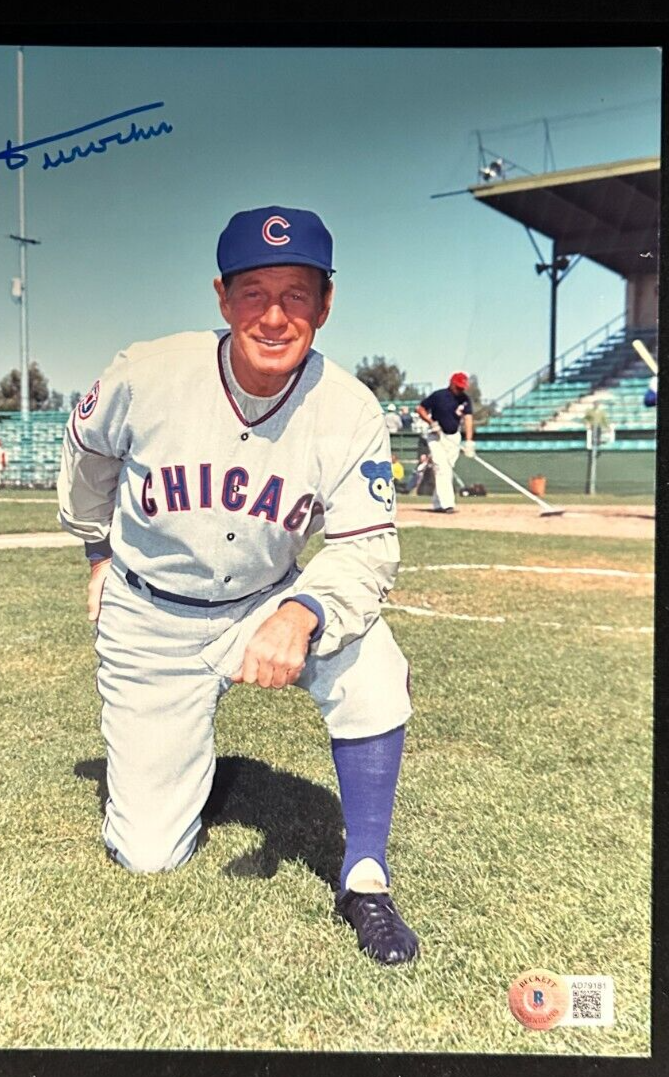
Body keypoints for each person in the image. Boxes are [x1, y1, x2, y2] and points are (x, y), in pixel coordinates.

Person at [57, 205, 420, 965]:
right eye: (254, 292)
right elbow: (86, 450)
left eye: (297, 293)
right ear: (222, 297)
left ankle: (366, 877)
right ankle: (190, 764)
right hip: (150, 614)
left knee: (372, 661)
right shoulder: (147, 373)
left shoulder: (349, 408)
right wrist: (96, 549)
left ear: (325, 303)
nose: (275, 315)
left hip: (260, 597)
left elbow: (366, 546)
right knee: (149, 852)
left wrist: (302, 609)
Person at [416, 372, 476, 513]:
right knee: (441, 467)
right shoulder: (439, 396)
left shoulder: (465, 399)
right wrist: (431, 422)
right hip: (436, 436)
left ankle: (438, 503)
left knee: (446, 469)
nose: (461, 390)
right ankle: (448, 504)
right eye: (458, 386)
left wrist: (469, 441)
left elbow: (468, 419)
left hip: (453, 437)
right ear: (452, 383)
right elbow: (420, 408)